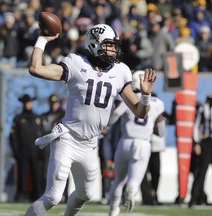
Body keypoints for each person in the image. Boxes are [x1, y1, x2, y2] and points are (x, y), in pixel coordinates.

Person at [24, 23, 156, 216]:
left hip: (90, 144)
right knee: (53, 196)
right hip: (68, 138)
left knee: (85, 194)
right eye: (109, 45)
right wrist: (42, 39)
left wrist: (145, 96)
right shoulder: (76, 63)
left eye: (114, 45)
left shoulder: (121, 72)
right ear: (95, 44)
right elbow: (36, 69)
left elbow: (140, 112)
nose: (113, 50)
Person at [108, 71, 166, 216]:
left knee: (118, 181)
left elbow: (112, 118)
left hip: (125, 141)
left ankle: (113, 209)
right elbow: (162, 130)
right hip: (143, 144)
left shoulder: (127, 100)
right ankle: (132, 190)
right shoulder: (157, 103)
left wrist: (105, 126)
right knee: (133, 181)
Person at [9, 94, 44, 202]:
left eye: (29, 103)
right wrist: (15, 151)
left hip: (35, 151)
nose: (27, 105)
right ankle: (21, 194)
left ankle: (37, 194)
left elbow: (42, 135)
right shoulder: (18, 119)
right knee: (22, 174)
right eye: (25, 103)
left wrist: (42, 151)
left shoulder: (37, 118)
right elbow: (13, 137)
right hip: (22, 151)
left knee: (36, 173)